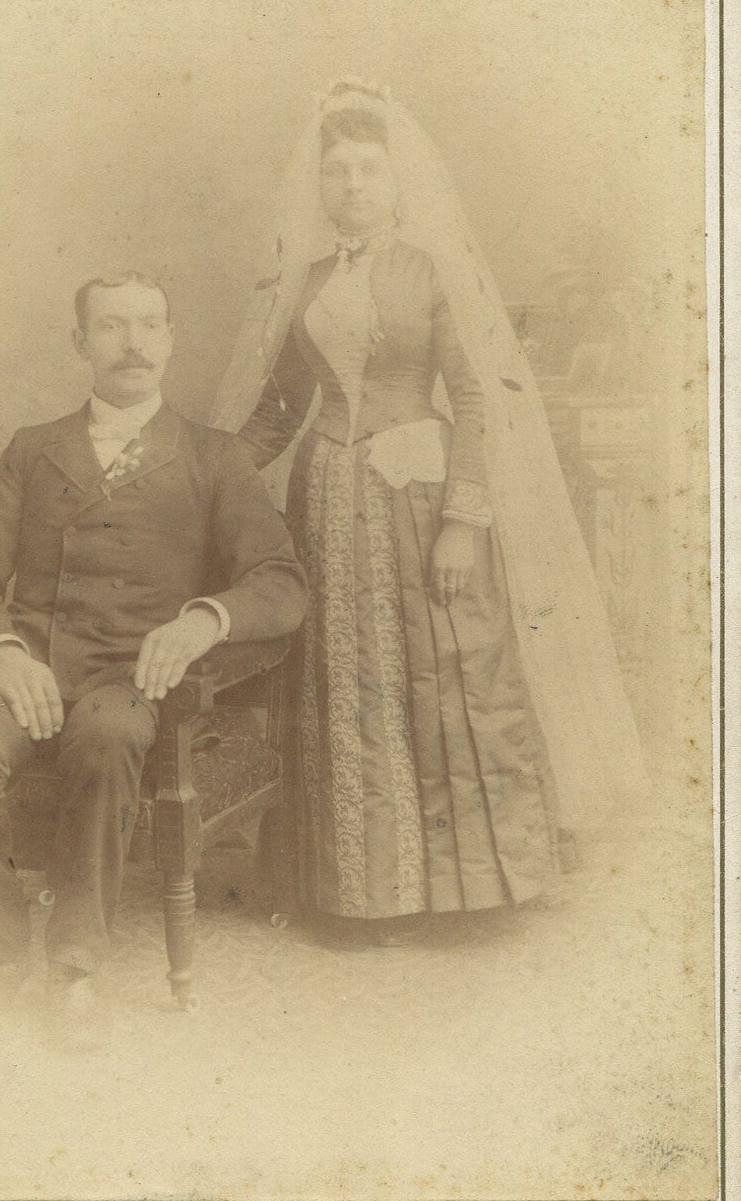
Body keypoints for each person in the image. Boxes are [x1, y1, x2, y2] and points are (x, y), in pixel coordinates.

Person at [212, 81, 644, 942]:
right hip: (329, 508)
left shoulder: (429, 270)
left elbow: (477, 400)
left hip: (422, 501)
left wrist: (462, 521)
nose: (353, 186)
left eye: (368, 170)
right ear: (321, 186)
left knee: (444, 675)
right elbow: (279, 409)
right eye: (338, 173)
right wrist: (205, 466)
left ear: (395, 181)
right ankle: (355, 895)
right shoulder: (301, 286)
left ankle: (468, 891)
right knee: (345, 685)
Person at [0, 272, 308, 1022]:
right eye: (111, 326)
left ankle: (74, 966)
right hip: (26, 665)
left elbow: (281, 580)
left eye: (149, 325)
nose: (133, 343)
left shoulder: (214, 456)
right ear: (80, 342)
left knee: (110, 735)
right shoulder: (32, 450)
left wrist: (203, 619)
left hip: (131, 676)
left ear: (169, 340)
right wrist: (1, 652)